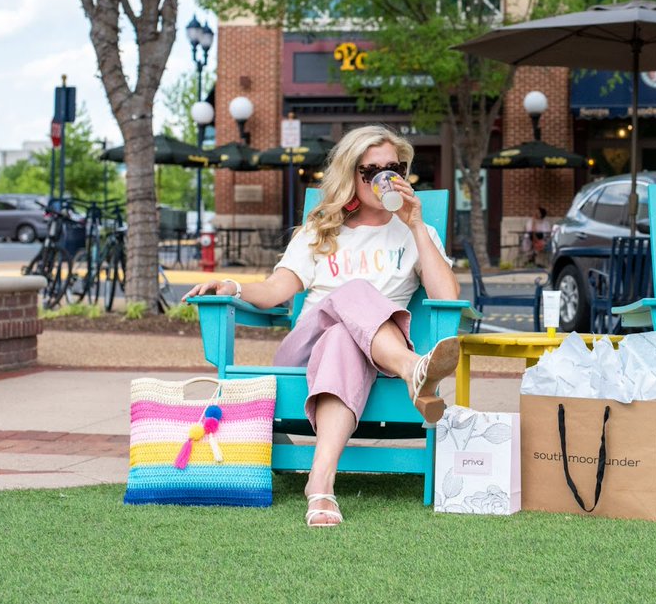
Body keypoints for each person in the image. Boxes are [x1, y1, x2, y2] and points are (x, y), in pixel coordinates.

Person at [183, 125, 461, 528]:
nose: (386, 179)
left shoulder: (417, 234)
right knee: (351, 296)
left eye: (394, 168)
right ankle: (412, 368)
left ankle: (320, 485)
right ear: (351, 175)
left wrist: (417, 226)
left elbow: (449, 298)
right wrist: (235, 285)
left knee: (342, 339)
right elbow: (279, 289)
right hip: (302, 355)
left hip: (368, 358)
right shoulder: (320, 231)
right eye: (371, 171)